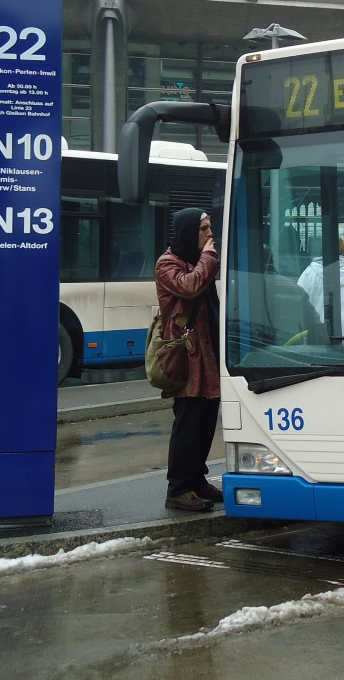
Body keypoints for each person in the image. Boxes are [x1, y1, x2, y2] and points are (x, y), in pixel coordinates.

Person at [155, 208, 222, 512]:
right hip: (186, 357)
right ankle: (178, 489)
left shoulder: (198, 261)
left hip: (207, 356)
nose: (210, 235)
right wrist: (208, 258)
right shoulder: (167, 263)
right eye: (204, 229)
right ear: (187, 232)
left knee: (206, 421)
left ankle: (196, 480)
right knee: (188, 423)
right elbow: (189, 286)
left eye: (210, 228)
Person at [298, 238, 344, 338]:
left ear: (321, 250)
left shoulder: (308, 275)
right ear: (343, 251)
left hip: (317, 344)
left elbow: (298, 311)